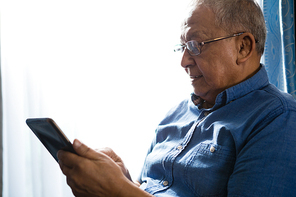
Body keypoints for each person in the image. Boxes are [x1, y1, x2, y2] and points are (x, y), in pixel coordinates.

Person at [57, 0, 296, 196]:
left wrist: (118, 192)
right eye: (182, 47)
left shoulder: (278, 119)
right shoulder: (177, 113)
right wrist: (123, 180)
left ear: (243, 47)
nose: (183, 61)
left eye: (195, 45)